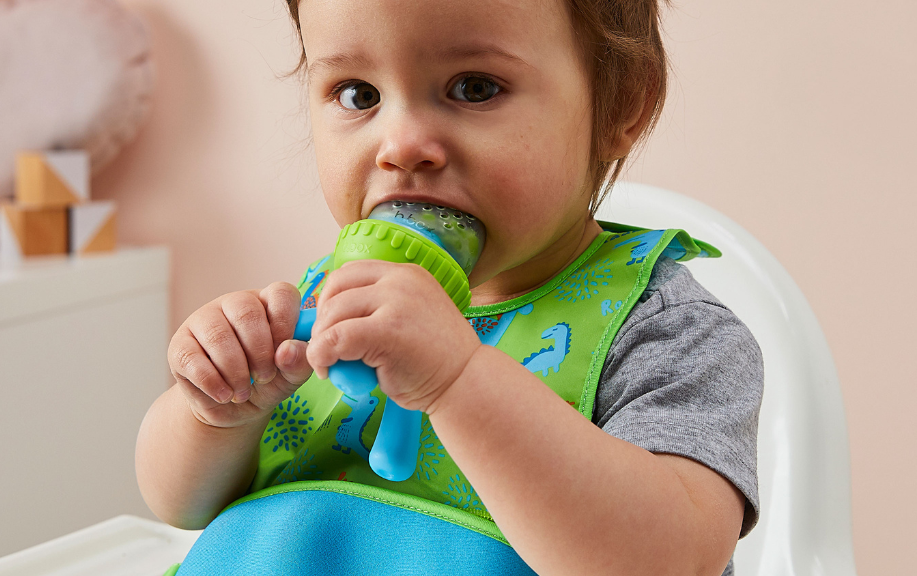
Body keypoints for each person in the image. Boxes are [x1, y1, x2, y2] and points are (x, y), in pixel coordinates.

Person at [135, 0, 763, 574]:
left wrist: (456, 379)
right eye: (358, 94)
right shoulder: (319, 302)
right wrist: (213, 413)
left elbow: (667, 560)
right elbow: (178, 505)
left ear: (620, 104)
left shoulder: (668, 333)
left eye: (474, 87)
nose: (401, 145)